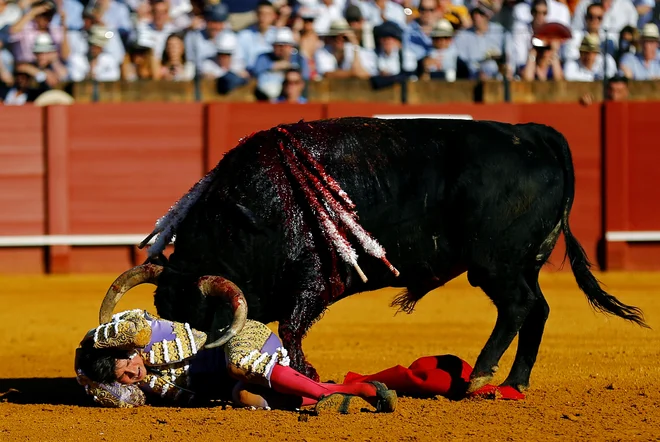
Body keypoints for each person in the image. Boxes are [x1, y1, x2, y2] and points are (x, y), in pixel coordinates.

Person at [74, 309, 397, 413]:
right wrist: (86, 371)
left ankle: (325, 397)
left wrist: (94, 340)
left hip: (243, 340)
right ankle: (356, 391)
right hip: (241, 380)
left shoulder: (148, 334)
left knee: (237, 363)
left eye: (128, 362)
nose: (135, 371)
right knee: (243, 397)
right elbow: (121, 400)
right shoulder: (137, 385)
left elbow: (134, 323)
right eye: (127, 377)